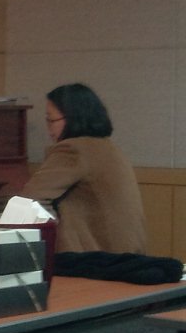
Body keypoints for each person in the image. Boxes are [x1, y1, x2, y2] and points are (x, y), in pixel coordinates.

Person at [21, 83, 147, 254]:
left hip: (94, 258)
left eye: (51, 120)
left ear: (73, 118)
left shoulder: (73, 149)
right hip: (126, 253)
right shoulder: (107, 147)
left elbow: (29, 200)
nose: (48, 127)